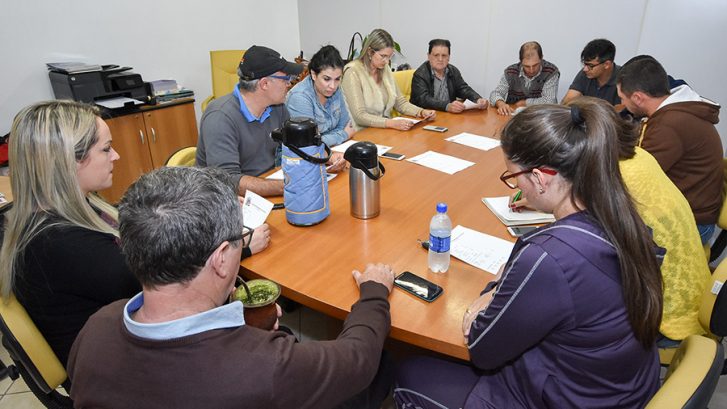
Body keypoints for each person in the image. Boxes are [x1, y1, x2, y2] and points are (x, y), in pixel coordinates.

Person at [395, 101, 663, 408]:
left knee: (411, 371)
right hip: (616, 388)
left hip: (570, 397)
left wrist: (489, 292)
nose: (515, 187)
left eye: (513, 177)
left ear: (541, 177)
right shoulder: (622, 217)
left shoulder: (549, 259)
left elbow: (482, 348)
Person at [67, 166, 396, 409]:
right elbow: (357, 360)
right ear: (221, 258)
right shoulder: (264, 367)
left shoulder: (95, 328)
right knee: (386, 364)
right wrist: (374, 294)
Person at [0, 100, 141, 366]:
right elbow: (159, 282)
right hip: (112, 374)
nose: (116, 156)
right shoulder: (59, 243)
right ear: (70, 161)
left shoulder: (59, 214)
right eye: (106, 149)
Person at [617, 55, 723, 243]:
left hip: (692, 222)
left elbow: (636, 178)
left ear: (638, 97)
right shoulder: (673, 112)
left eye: (622, 99)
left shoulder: (670, 124)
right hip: (685, 210)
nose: (622, 105)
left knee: (607, 239)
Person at [196, 45, 303, 197]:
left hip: (267, 185)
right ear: (264, 84)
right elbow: (228, 181)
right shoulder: (220, 117)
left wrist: (325, 160)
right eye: (286, 79)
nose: (289, 84)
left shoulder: (277, 107)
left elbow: (296, 145)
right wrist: (287, 185)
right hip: (228, 200)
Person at [341, 28, 436, 131]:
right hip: (361, 133)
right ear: (370, 52)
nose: (386, 61)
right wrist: (391, 123)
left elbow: (400, 103)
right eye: (383, 56)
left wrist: (421, 112)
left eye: (389, 57)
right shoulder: (353, 72)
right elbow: (359, 116)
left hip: (384, 131)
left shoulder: (384, 69)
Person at [285, 45, 349, 170]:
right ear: (314, 74)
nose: (333, 86)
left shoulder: (335, 90)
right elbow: (307, 144)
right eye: (326, 79)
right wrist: (343, 134)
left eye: (337, 79)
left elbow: (346, 124)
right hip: (301, 162)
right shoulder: (300, 97)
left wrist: (324, 139)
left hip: (331, 153)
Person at [410, 38, 489, 113]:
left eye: (444, 55)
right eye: (436, 55)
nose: (440, 59)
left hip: (447, 116)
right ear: (429, 56)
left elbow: (463, 89)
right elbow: (423, 99)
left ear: (449, 57)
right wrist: (447, 106)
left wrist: (478, 99)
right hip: (426, 117)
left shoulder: (453, 71)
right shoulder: (420, 74)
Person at [489, 41, 559, 115]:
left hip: (539, 117)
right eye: (527, 66)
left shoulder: (551, 72)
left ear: (541, 58)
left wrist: (525, 103)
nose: (531, 70)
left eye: (535, 65)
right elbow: (495, 93)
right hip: (512, 116)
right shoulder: (511, 72)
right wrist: (501, 104)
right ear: (521, 61)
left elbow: (550, 101)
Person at [561, 39, 622, 106]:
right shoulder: (586, 73)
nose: (585, 69)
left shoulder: (623, 79)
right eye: (584, 64)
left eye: (591, 65)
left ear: (606, 64)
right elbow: (567, 101)